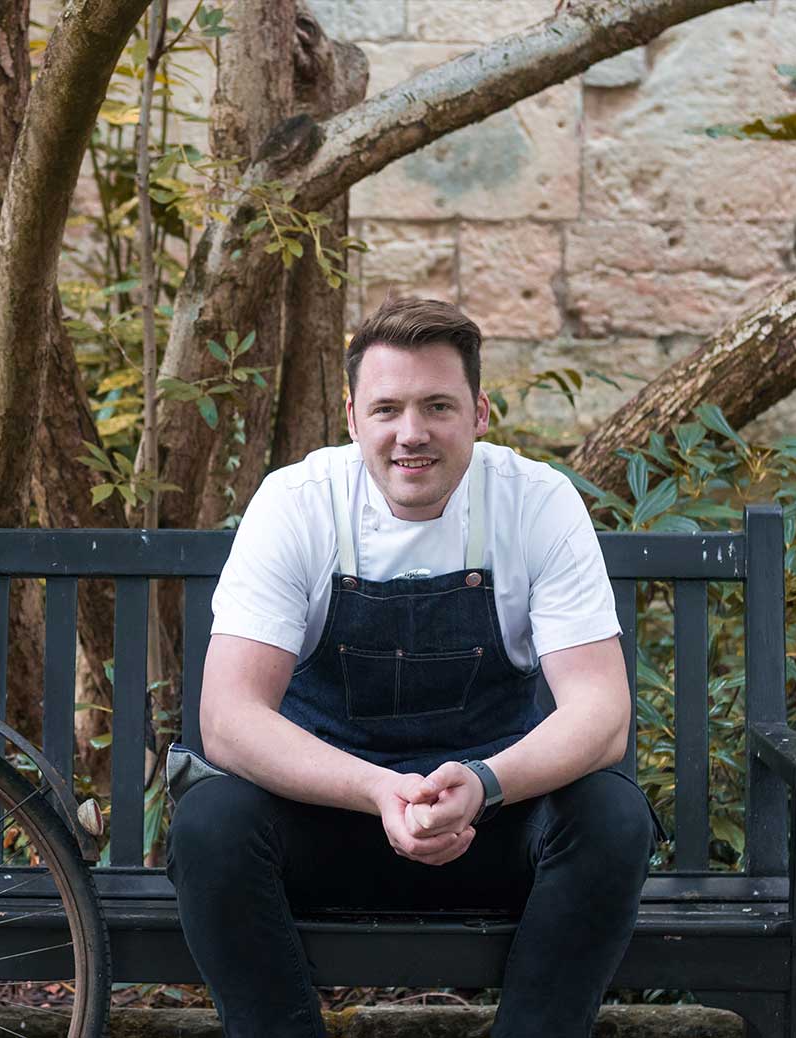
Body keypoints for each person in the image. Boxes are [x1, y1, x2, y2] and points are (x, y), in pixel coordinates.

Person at [166, 297, 656, 1038]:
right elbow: (229, 720)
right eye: (387, 409)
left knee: (612, 817)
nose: (411, 433)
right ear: (352, 418)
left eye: (437, 406)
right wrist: (377, 790)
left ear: (480, 413)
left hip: (491, 827)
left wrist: (484, 783)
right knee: (210, 824)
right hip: (329, 824)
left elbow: (602, 713)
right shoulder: (298, 505)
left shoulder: (536, 503)